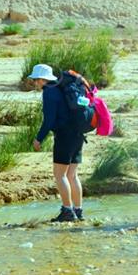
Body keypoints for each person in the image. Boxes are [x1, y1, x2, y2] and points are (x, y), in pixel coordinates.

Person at [28, 64, 85, 223]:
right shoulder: (62, 88)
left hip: (64, 136)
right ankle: (78, 211)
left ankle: (67, 211)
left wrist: (39, 138)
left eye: (35, 80)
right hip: (78, 135)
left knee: (60, 175)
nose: (35, 83)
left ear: (42, 79)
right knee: (72, 175)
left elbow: (49, 120)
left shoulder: (49, 93)